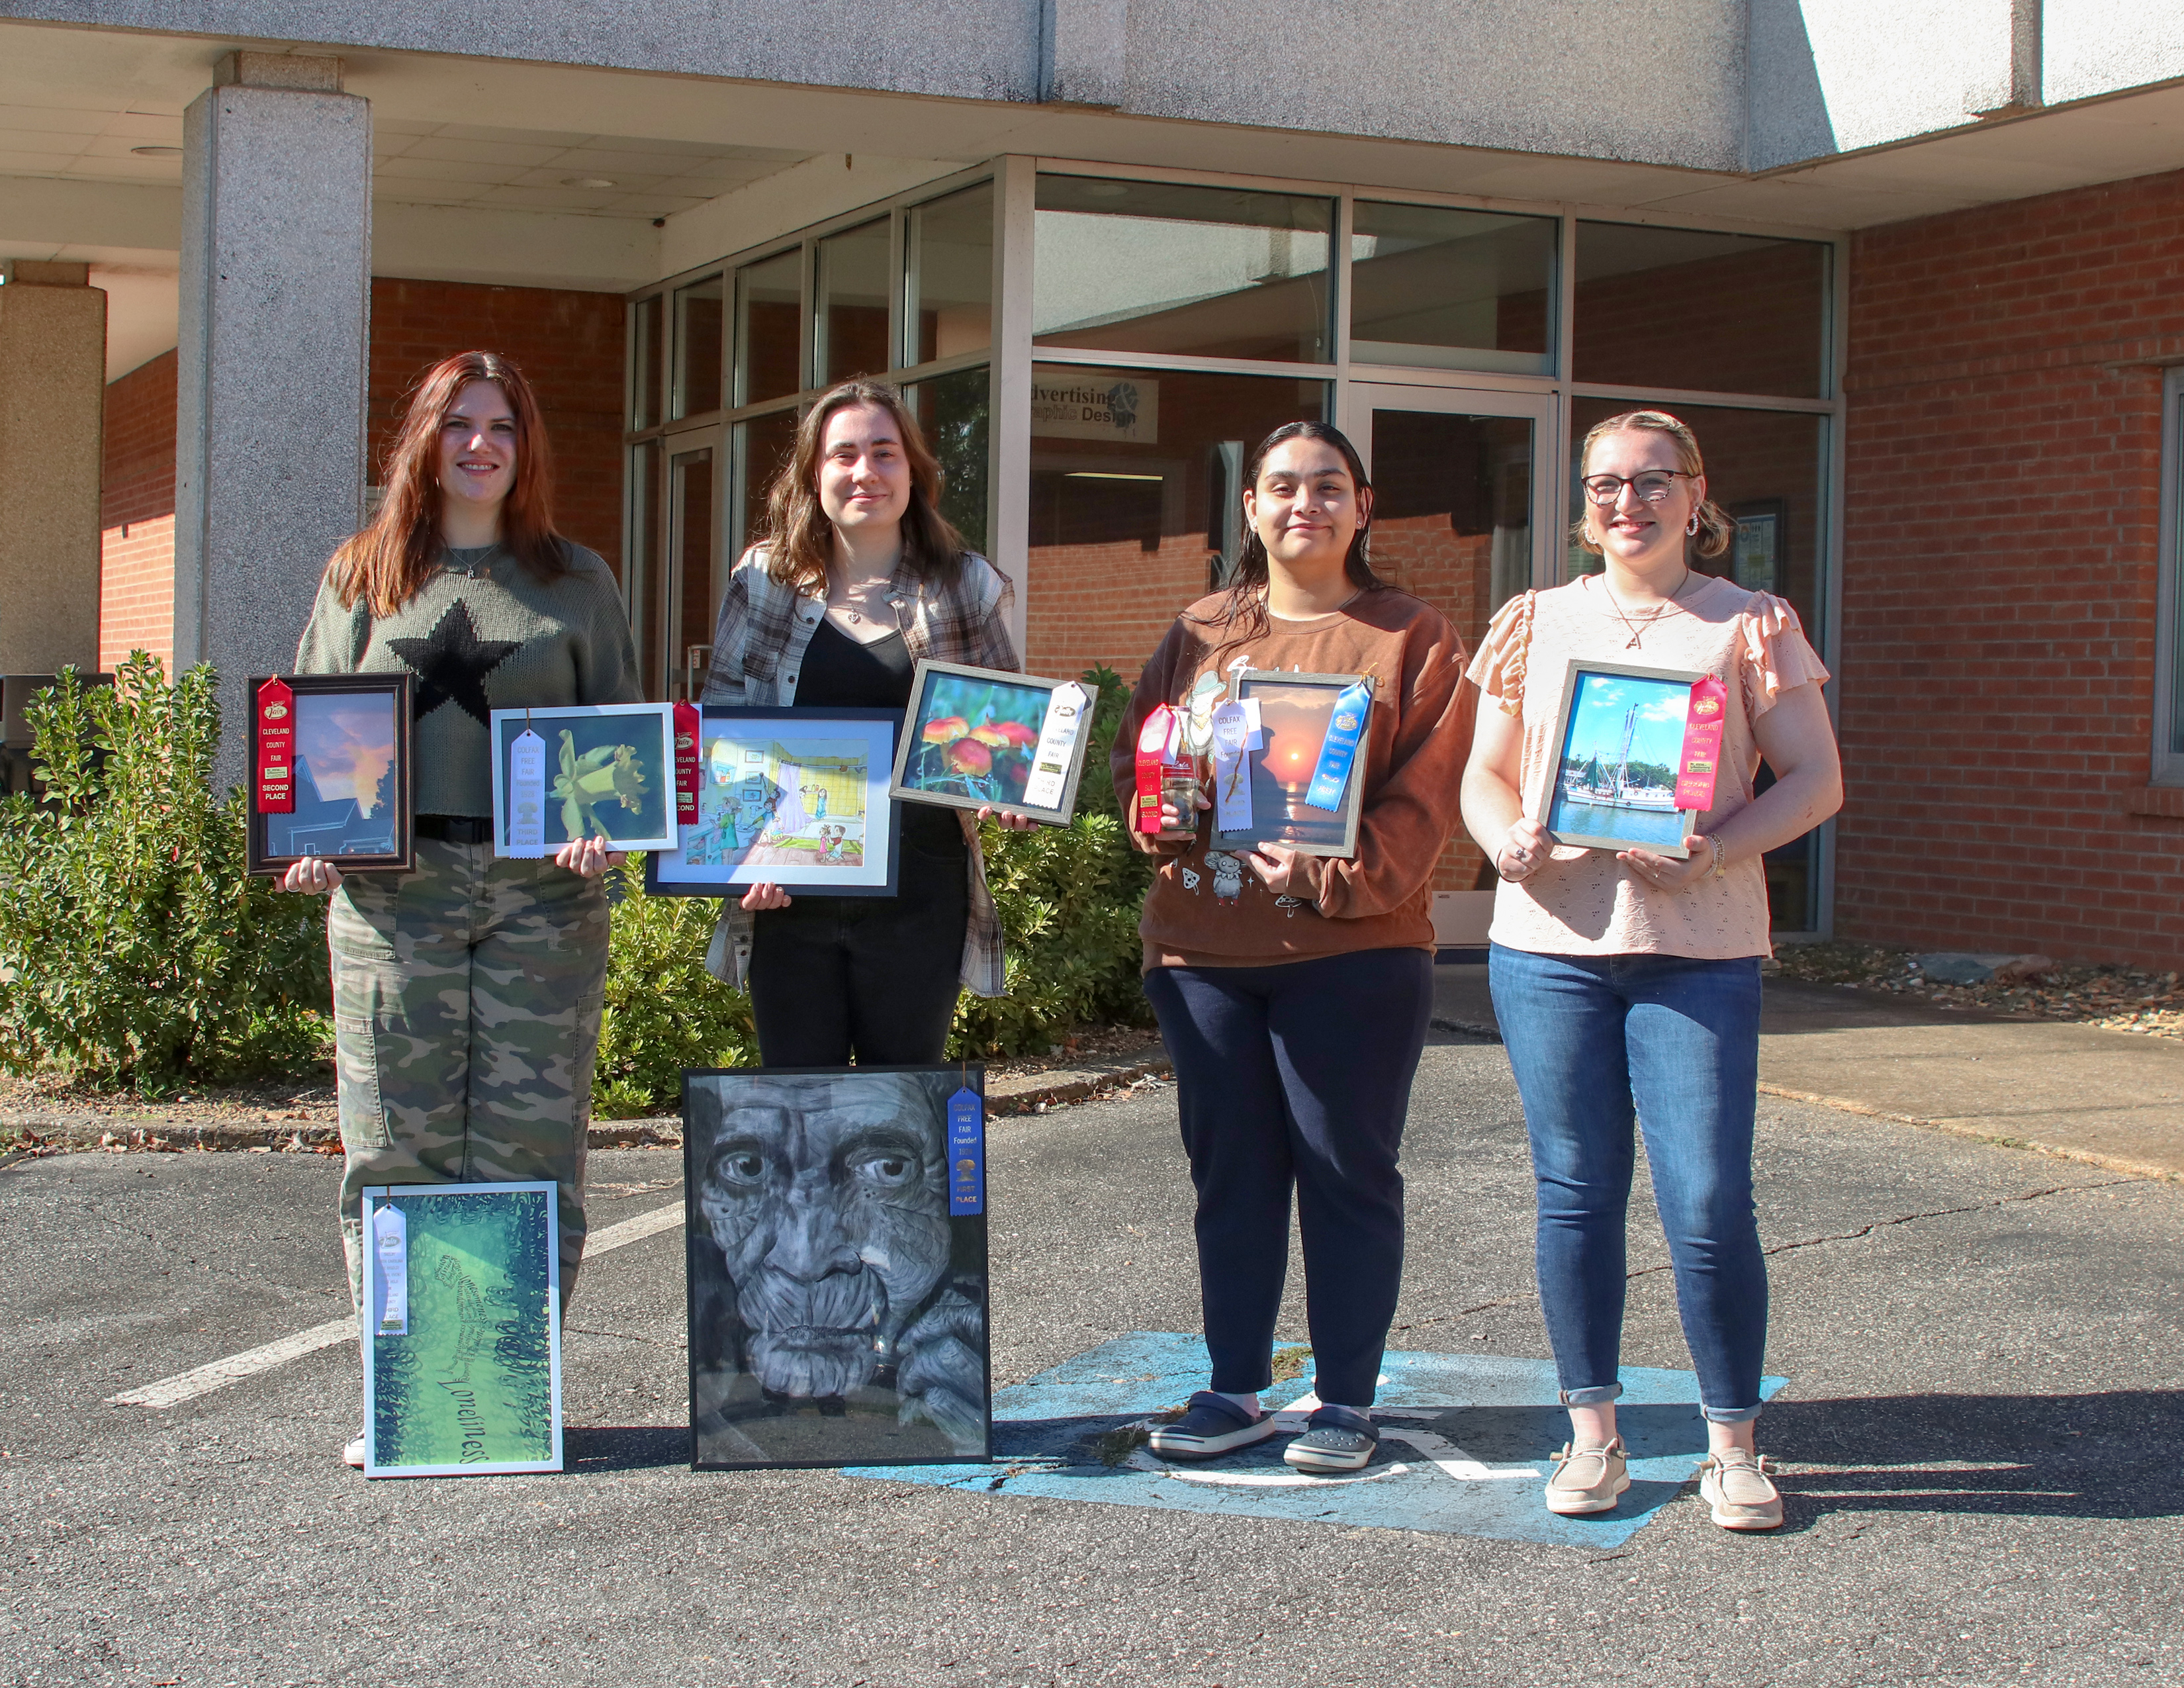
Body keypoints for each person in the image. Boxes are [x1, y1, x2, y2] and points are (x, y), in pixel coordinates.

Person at [1459, 408, 1842, 1531]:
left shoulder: (1748, 622)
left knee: (1710, 1200)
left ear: (1697, 494)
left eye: (1653, 482)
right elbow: (1486, 773)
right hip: (1552, 948)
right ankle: (1594, 1438)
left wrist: (1715, 849)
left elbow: (1813, 781)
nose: (1630, 503)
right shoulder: (1534, 619)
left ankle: (1733, 1447)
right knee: (1576, 1196)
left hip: (1699, 949)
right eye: (1608, 484)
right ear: (1583, 501)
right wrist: (1501, 840)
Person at [286, 350, 638, 1467]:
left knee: (533, 1150)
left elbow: (622, 746)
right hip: (396, 900)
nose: (480, 445)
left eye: (501, 426)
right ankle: (408, 1394)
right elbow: (313, 738)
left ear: (526, 445)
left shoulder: (575, 579)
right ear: (423, 443)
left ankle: (503, 1389)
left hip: (545, 898)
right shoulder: (363, 576)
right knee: (398, 1148)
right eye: (458, 425)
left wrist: (607, 822)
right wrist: (309, 840)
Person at [1110, 421, 1473, 1474]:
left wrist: (1326, 874)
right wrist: (1165, 808)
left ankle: (1348, 1401)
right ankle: (1235, 1388)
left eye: (1327, 486)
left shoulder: (1411, 636)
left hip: (1354, 953)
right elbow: (1154, 763)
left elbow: (1425, 798)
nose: (1302, 503)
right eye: (1281, 487)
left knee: (1346, 1169)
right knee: (1233, 1176)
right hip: (1203, 949)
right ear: (1252, 509)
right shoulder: (1201, 630)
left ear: (1365, 506)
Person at [700, 379, 1032, 1066]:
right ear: (813, 474)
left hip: (920, 896)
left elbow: (1006, 734)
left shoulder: (965, 586)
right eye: (843, 455)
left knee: (902, 1115)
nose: (865, 472)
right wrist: (745, 860)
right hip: (790, 898)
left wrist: (1012, 790)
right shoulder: (762, 583)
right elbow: (720, 735)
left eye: (885, 453)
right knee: (801, 1113)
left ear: (913, 470)